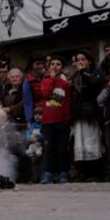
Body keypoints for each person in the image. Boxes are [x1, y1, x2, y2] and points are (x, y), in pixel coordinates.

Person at [68, 51, 103, 181]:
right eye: (78, 60)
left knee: (91, 143)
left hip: (90, 113)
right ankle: (83, 171)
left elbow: (94, 84)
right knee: (80, 144)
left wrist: (83, 72)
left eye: (83, 59)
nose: (80, 62)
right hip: (77, 114)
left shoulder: (95, 73)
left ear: (89, 61)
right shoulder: (73, 77)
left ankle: (94, 173)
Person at [39, 56, 71, 184]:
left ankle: (63, 172)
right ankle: (48, 173)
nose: (55, 66)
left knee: (62, 148)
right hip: (48, 121)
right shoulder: (46, 81)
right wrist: (52, 79)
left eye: (58, 64)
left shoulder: (65, 84)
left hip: (62, 121)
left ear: (61, 67)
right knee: (49, 149)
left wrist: (68, 118)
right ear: (49, 67)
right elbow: (46, 94)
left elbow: (67, 102)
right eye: (52, 64)